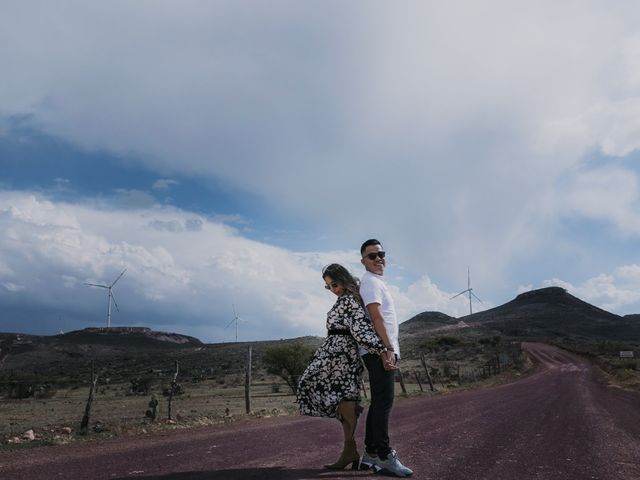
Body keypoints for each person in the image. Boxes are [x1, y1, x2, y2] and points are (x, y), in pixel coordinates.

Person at [297, 263, 387, 470]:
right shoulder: (345, 300)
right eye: (328, 286)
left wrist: (382, 349)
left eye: (334, 284)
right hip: (335, 354)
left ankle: (350, 449)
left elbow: (360, 329)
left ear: (344, 279)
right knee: (344, 400)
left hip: (341, 357)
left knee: (331, 394)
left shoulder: (348, 301)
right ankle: (349, 450)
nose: (333, 289)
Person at [359, 239, 413, 477]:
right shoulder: (370, 282)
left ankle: (371, 453)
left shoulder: (376, 282)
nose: (379, 258)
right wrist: (387, 348)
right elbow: (376, 317)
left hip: (380, 349)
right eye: (373, 256)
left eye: (382, 253)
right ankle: (384, 455)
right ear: (364, 261)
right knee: (384, 403)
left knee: (380, 402)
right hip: (380, 350)